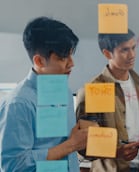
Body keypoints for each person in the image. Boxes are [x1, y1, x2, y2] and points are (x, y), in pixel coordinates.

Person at [0, 17, 88, 171]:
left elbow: (64, 148)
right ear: (39, 61)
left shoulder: (64, 92)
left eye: (71, 55)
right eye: (63, 57)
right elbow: (14, 165)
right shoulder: (18, 103)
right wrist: (72, 144)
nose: (71, 63)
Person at [75, 28, 139, 172]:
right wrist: (116, 152)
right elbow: (84, 146)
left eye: (133, 48)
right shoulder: (92, 91)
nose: (132, 55)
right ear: (107, 53)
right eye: (124, 50)